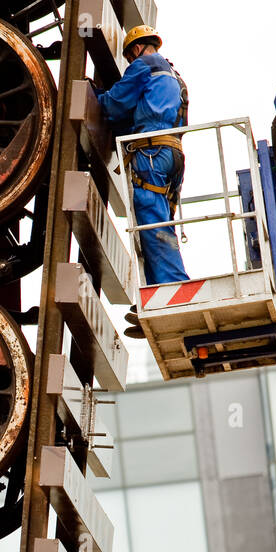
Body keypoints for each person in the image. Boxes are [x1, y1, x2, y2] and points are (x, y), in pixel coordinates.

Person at [96, 25, 188, 337]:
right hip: (172, 153)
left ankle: (171, 289)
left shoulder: (143, 65)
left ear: (135, 49)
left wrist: (96, 95)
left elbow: (115, 104)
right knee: (157, 222)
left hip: (152, 153)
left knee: (151, 222)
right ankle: (155, 293)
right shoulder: (175, 77)